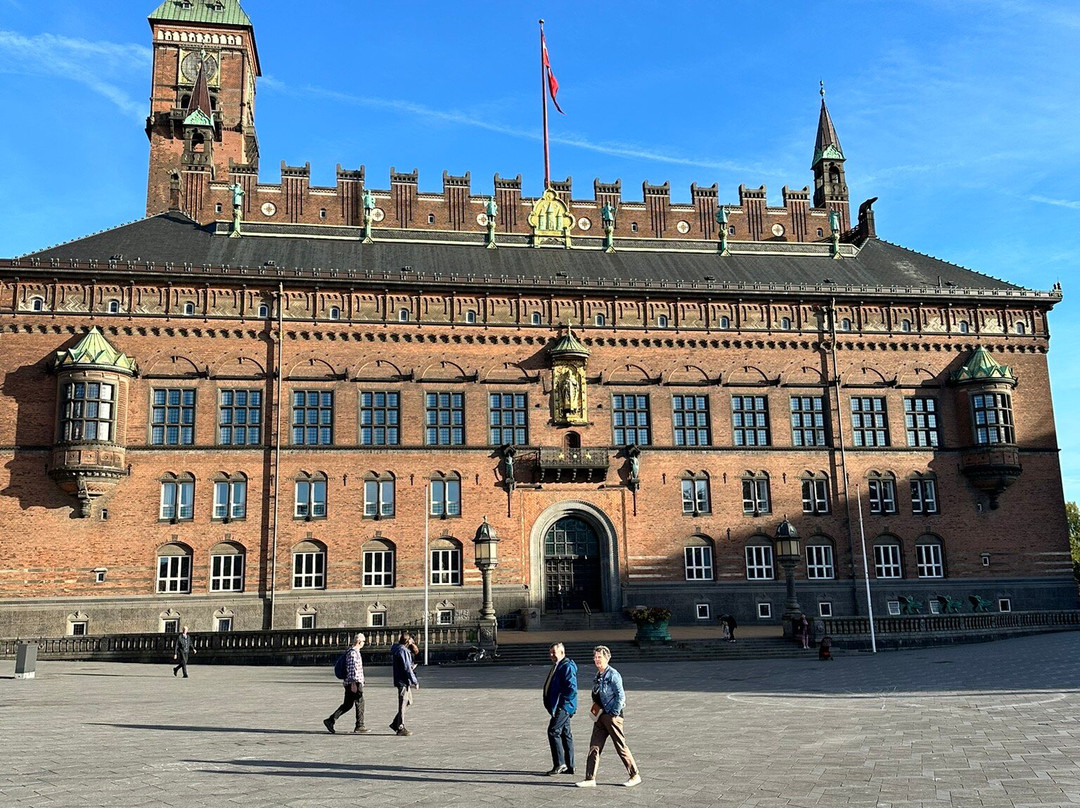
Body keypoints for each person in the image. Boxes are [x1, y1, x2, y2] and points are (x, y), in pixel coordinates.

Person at [576, 645, 640, 788]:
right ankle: (590, 778)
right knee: (594, 746)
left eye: (599, 657)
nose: (596, 660)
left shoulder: (613, 675)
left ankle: (634, 775)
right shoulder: (598, 676)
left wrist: (613, 713)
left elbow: (621, 696)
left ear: (607, 658)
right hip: (599, 716)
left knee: (620, 746)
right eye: (595, 657)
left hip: (611, 717)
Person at [542, 642, 578, 776]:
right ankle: (571, 765)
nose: (551, 655)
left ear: (562, 653)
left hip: (564, 706)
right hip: (562, 705)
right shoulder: (558, 665)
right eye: (550, 652)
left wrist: (563, 704)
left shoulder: (566, 666)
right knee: (565, 733)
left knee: (553, 731)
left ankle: (560, 763)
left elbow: (572, 688)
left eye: (554, 652)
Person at [323, 633, 369, 734]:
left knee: (347, 704)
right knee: (360, 702)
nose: (364, 643)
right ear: (359, 641)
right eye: (364, 641)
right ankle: (359, 725)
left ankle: (330, 720)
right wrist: (353, 683)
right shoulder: (353, 653)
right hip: (354, 682)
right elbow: (352, 668)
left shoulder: (353, 652)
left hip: (352, 682)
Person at [389, 632, 418, 736]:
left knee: (409, 701)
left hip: (402, 679)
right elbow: (406, 667)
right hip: (402, 680)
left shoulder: (398, 649)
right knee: (403, 703)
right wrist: (415, 681)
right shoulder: (403, 650)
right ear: (408, 640)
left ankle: (395, 723)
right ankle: (400, 727)